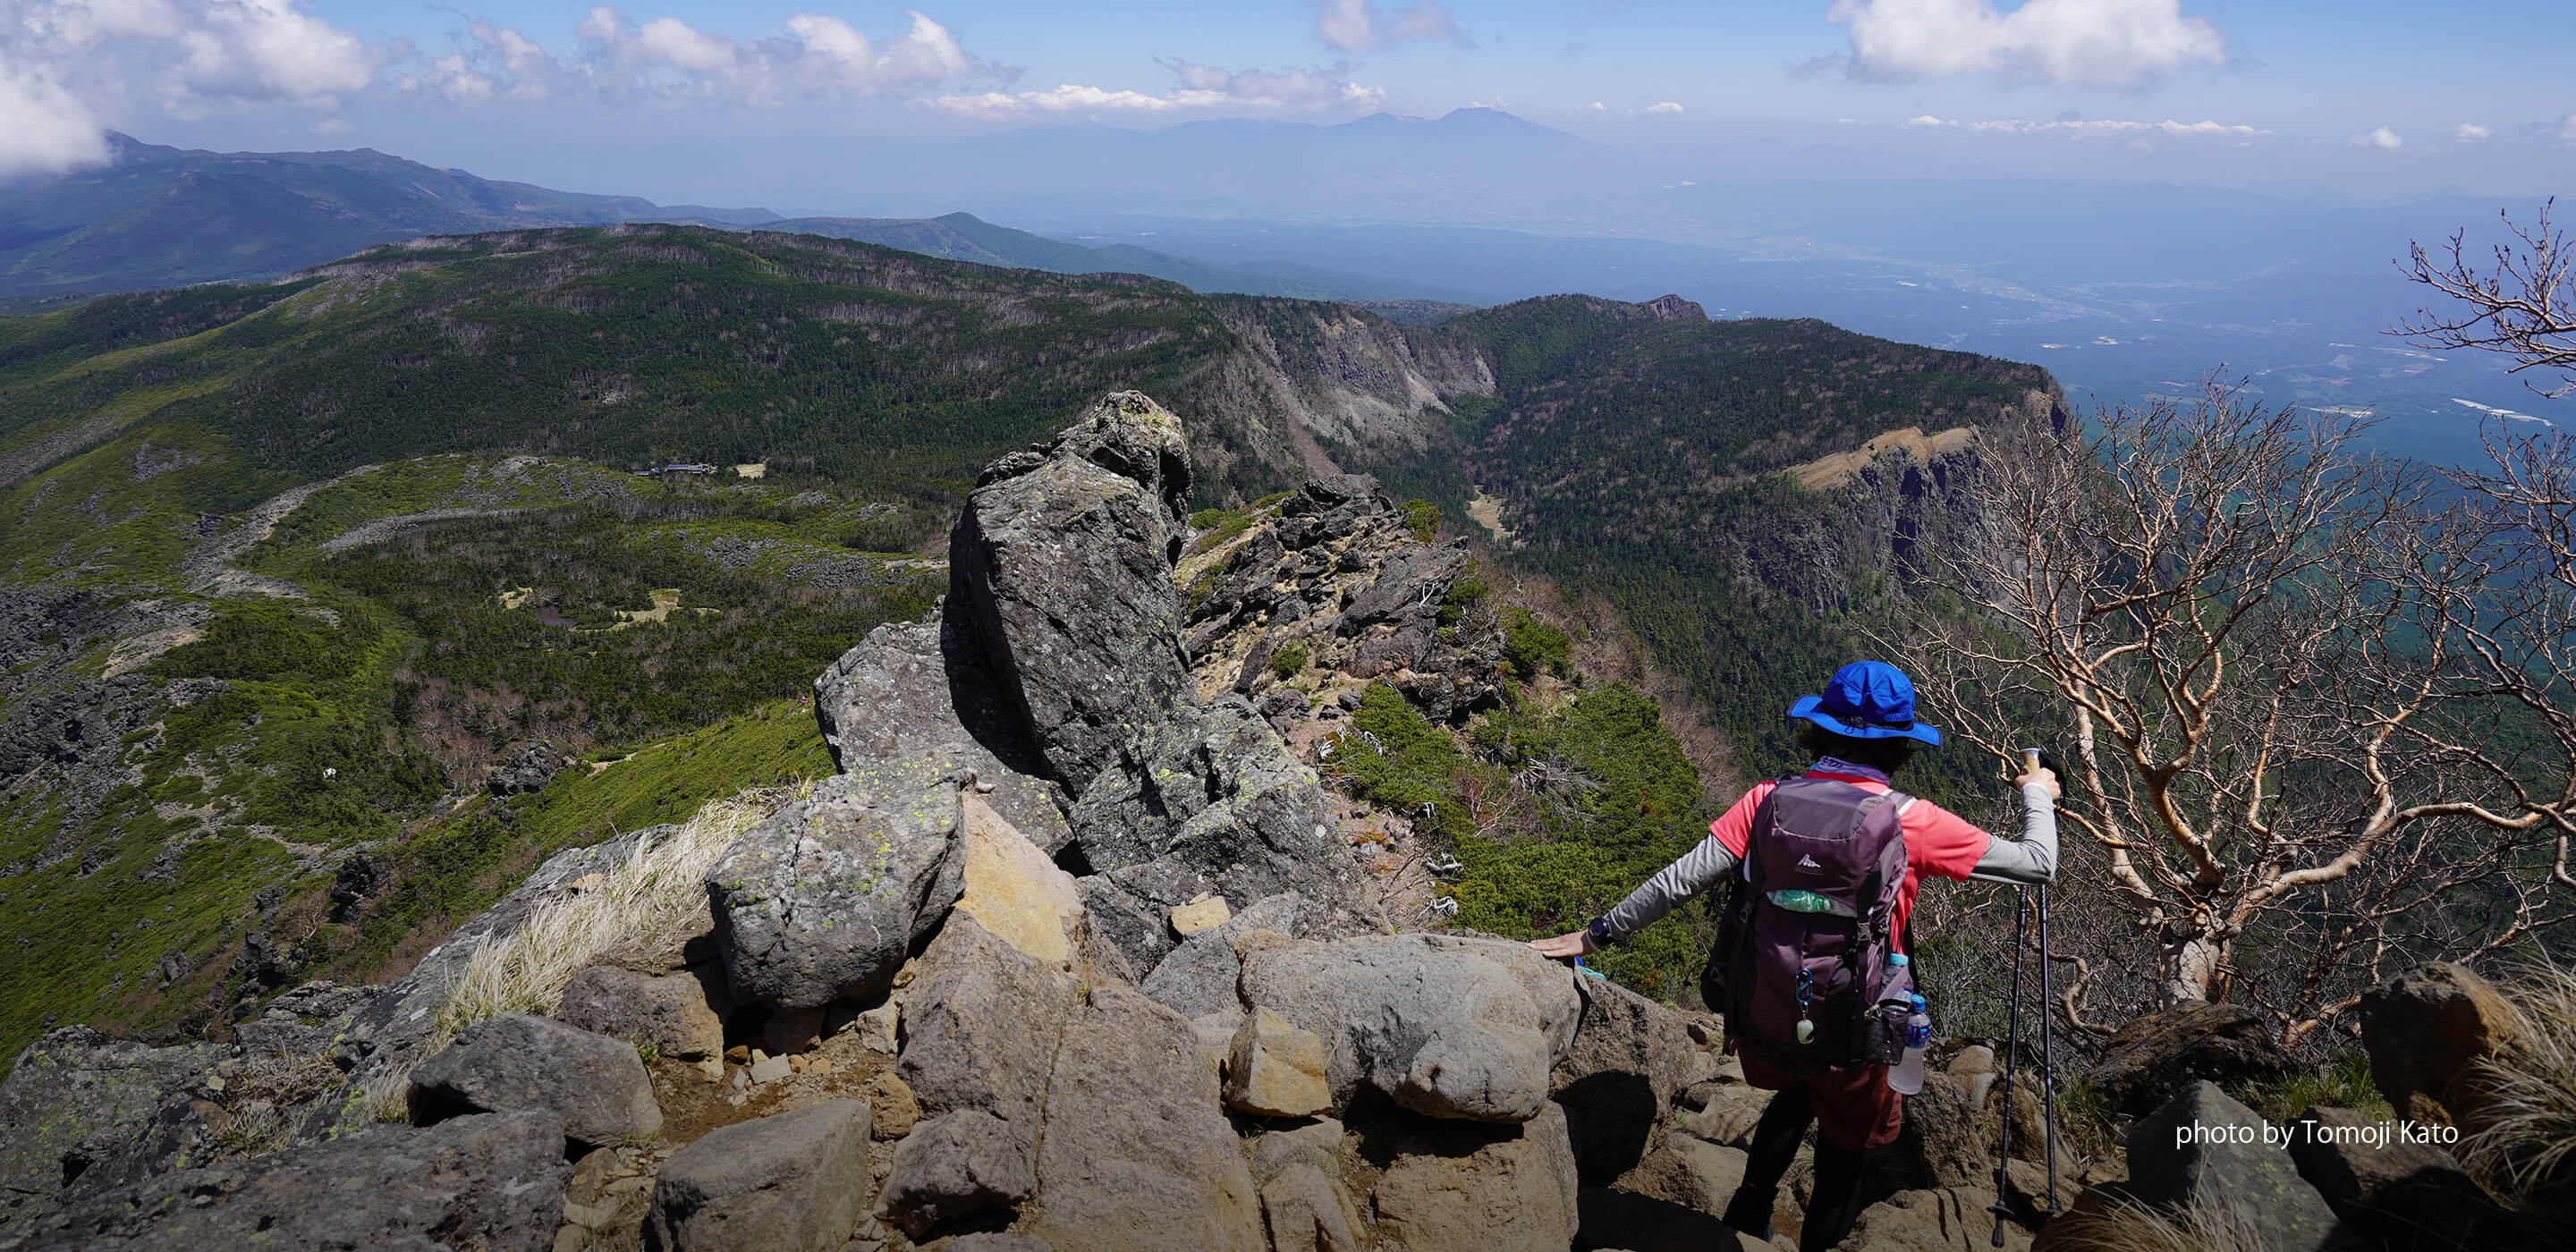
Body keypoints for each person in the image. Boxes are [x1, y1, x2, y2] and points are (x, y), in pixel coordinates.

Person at [1530, 660, 2059, 1252]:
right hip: (1857, 1037)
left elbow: (1679, 881)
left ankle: (1748, 1205)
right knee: (1843, 1155)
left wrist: (1596, 935)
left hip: (1765, 1024)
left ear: (1821, 730)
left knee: (1799, 1083)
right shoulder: (1911, 821)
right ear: (1900, 746)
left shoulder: (1766, 799)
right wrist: (2038, 797)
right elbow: (2037, 864)